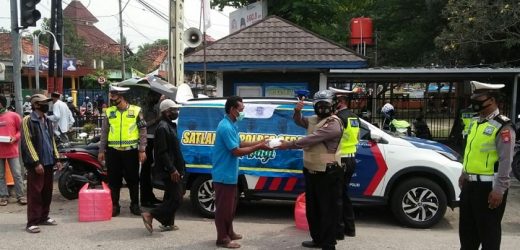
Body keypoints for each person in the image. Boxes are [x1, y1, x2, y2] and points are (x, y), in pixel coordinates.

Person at [278, 90, 344, 250]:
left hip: (328, 171)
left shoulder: (334, 124)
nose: (321, 109)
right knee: (313, 209)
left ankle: (328, 244)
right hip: (311, 170)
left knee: (327, 210)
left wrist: (287, 145)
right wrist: (297, 110)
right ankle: (317, 239)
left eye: (325, 105)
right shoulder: (314, 119)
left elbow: (311, 139)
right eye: (318, 105)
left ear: (333, 105)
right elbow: (300, 122)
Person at [459, 81, 515, 250]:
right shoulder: (476, 122)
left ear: (491, 100)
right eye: (473, 97)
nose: (474, 101)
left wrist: (499, 189)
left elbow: (506, 161)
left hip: (488, 188)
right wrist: (464, 172)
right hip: (470, 186)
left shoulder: (503, 126)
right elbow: (471, 151)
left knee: (489, 235)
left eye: (478, 98)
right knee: (467, 235)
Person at [212, 96, 271, 249]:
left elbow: (240, 143)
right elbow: (236, 151)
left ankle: (229, 232)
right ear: (232, 110)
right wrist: (259, 147)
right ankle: (222, 238)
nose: (242, 113)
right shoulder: (225, 127)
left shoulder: (232, 124)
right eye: (241, 110)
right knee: (223, 208)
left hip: (230, 174)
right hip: (224, 175)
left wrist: (260, 142)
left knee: (230, 207)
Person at [98, 85, 147, 217]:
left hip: (130, 152)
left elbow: (143, 131)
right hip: (113, 152)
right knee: (114, 180)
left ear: (123, 97)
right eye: (112, 99)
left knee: (133, 179)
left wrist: (142, 149)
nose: (114, 102)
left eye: (116, 99)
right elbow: (104, 132)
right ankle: (115, 206)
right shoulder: (109, 112)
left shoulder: (136, 111)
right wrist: (101, 150)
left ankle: (135, 205)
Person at [140, 99, 185, 233]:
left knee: (170, 196)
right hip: (169, 169)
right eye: (174, 110)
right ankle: (150, 214)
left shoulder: (170, 125)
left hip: (174, 167)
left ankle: (167, 223)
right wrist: (172, 169)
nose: (176, 112)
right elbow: (162, 152)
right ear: (166, 112)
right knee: (177, 198)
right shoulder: (162, 128)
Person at [20, 94, 63, 233]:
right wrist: (36, 162)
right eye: (44, 103)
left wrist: (57, 159)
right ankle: (32, 222)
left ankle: (44, 217)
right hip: (36, 163)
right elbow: (27, 143)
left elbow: (52, 142)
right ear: (36, 105)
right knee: (35, 193)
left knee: (47, 191)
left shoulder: (47, 120)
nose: (48, 105)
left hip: (49, 161)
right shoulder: (28, 120)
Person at [329, 87, 359, 239]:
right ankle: (350, 228)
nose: (333, 104)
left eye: (335, 101)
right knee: (345, 194)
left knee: (337, 196)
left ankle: (338, 232)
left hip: (340, 159)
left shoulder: (338, 118)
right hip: (351, 158)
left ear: (341, 102)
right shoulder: (354, 117)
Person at [0, 96, 26, 206]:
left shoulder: (14, 116)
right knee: (0, 175)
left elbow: (21, 131)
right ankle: (3, 196)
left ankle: (21, 196)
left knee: (17, 174)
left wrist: (14, 138)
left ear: (1, 104)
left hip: (12, 150)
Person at [140, 91, 163, 208]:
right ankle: (145, 198)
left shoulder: (155, 107)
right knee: (145, 171)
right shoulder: (143, 109)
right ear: (150, 96)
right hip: (146, 140)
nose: (157, 99)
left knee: (151, 170)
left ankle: (150, 196)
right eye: (156, 96)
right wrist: (156, 120)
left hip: (155, 139)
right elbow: (141, 124)